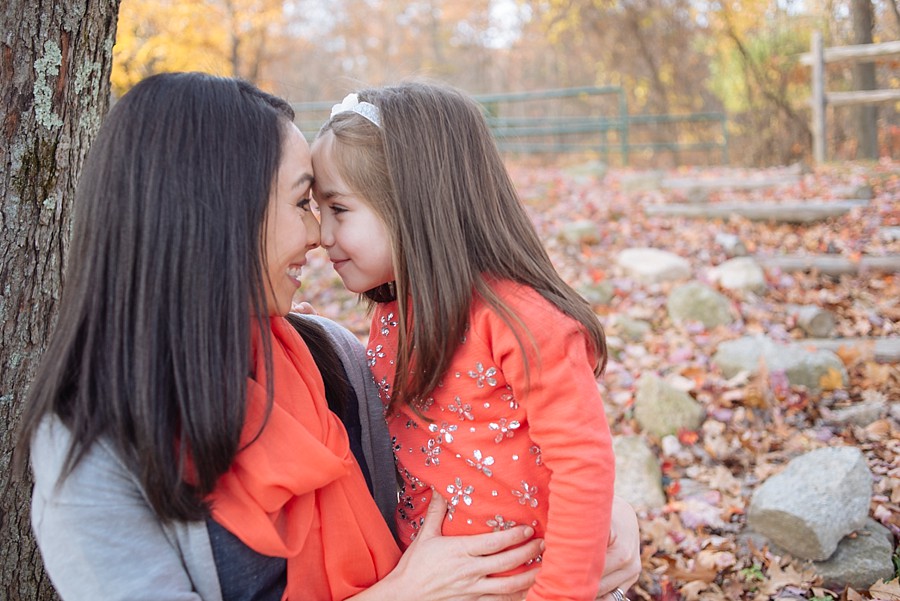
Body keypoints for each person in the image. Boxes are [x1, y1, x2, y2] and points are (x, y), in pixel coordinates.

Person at [15, 72, 639, 601]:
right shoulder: (92, 456)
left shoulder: (328, 357)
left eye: (331, 209)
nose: (318, 236)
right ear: (217, 218)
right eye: (301, 205)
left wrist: (607, 520)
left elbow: (521, 442)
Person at [310, 82, 619, 601]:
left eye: (339, 209)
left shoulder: (520, 319)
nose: (323, 234)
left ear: (413, 203)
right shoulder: (394, 316)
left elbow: (583, 464)